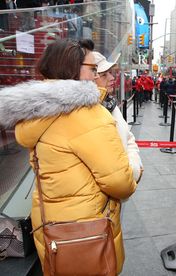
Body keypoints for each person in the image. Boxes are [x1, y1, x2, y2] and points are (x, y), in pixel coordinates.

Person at [0, 39, 136, 274]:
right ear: (72, 68)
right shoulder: (89, 116)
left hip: (51, 229)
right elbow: (120, 183)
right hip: (88, 233)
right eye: (93, 69)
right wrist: (135, 166)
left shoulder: (35, 115)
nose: (97, 76)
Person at [93, 51, 143, 183]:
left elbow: (128, 137)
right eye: (104, 74)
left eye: (110, 73)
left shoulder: (111, 104)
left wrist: (134, 169)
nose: (111, 78)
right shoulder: (86, 112)